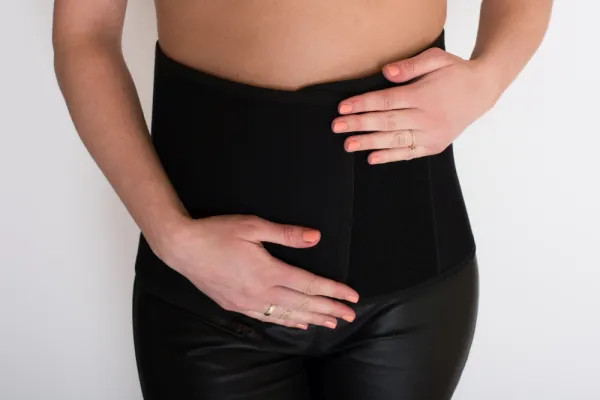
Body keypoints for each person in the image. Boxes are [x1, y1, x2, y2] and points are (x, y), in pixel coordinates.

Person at [52, 0, 553, 398]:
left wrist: (486, 78)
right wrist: (171, 236)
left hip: (410, 280)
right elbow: (84, 34)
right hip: (204, 288)